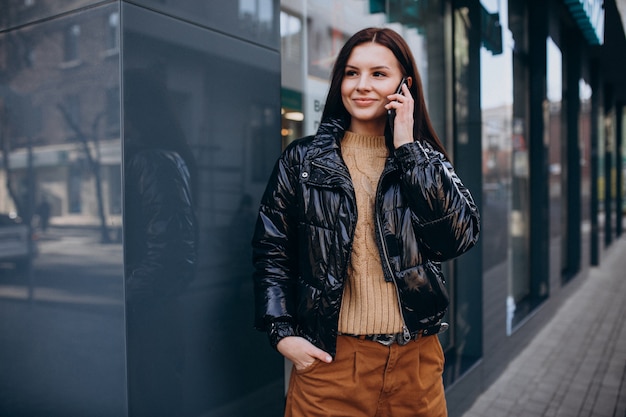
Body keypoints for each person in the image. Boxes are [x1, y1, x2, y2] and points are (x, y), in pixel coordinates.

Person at [252, 27, 480, 417]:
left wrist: (408, 150)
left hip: (416, 365)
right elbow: (272, 251)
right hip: (332, 364)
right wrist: (282, 334)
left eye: (378, 74)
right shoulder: (302, 161)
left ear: (403, 85)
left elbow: (455, 240)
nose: (362, 85)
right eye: (351, 72)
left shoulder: (426, 161)